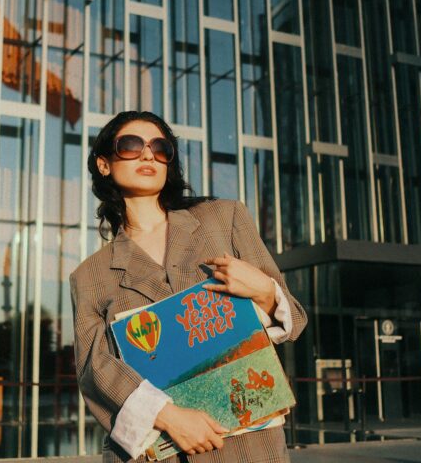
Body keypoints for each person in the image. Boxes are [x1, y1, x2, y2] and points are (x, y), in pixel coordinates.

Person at [70, 111, 307, 463]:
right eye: (131, 146)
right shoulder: (90, 275)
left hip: (249, 448)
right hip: (160, 451)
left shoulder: (225, 218)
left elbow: (295, 320)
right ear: (104, 164)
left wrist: (264, 290)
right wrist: (168, 416)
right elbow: (95, 370)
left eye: (160, 148)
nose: (148, 154)